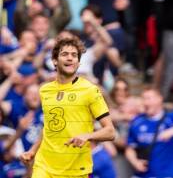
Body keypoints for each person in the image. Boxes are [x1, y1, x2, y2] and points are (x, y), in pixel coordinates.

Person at [19, 36, 116, 178]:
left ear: (78, 62)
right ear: (54, 61)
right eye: (65, 54)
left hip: (75, 170)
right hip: (44, 165)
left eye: (74, 55)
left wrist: (88, 136)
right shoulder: (45, 90)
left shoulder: (90, 90)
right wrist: (33, 151)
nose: (70, 58)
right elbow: (49, 127)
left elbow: (110, 132)